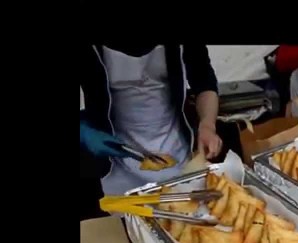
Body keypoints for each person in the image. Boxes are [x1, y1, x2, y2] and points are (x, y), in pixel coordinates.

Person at [80, 44, 223, 196]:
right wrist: (83, 132)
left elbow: (203, 80)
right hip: (116, 163)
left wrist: (207, 125)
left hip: (177, 154)